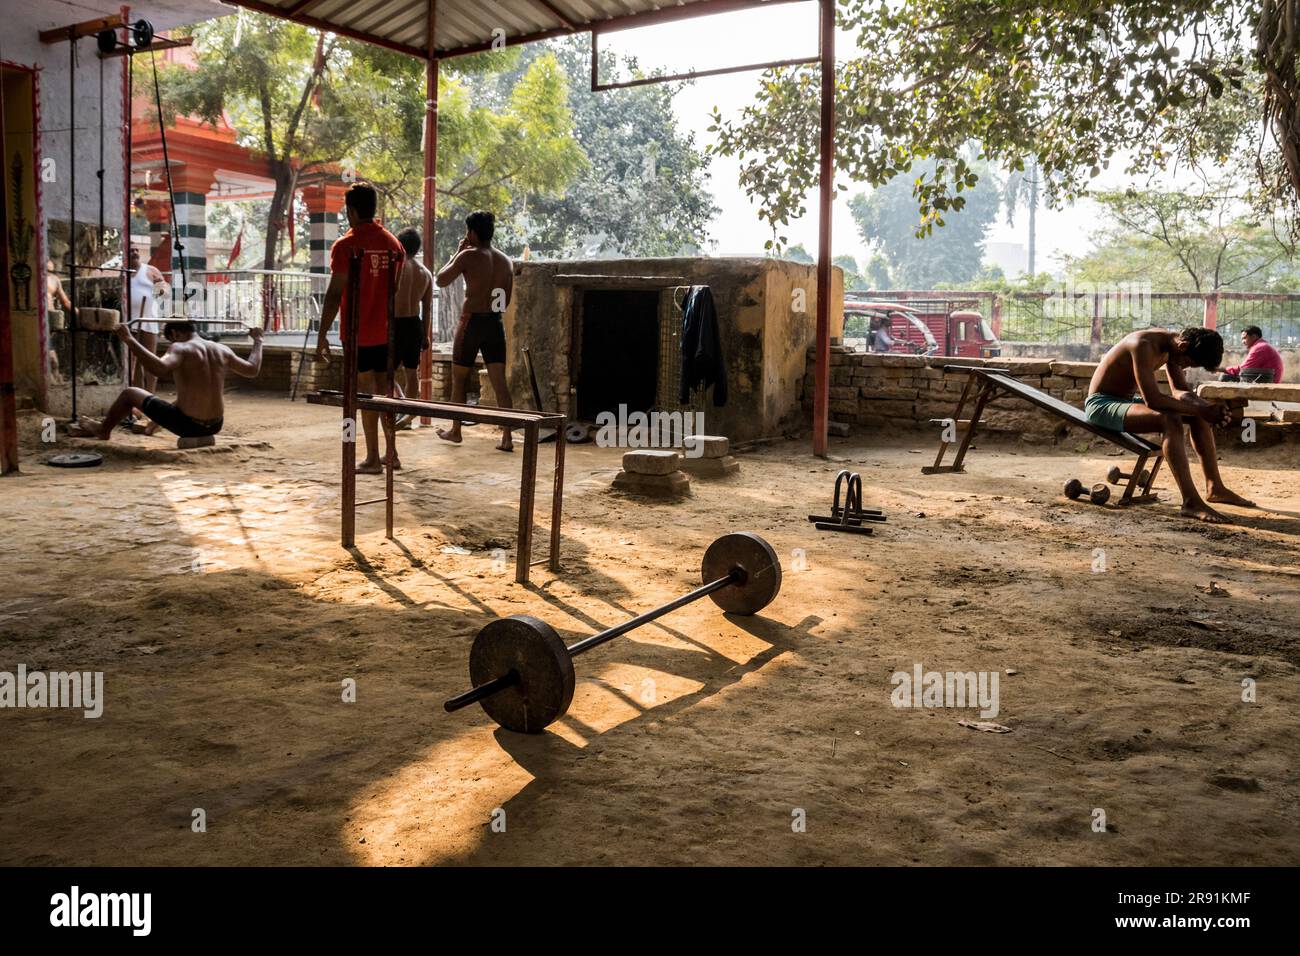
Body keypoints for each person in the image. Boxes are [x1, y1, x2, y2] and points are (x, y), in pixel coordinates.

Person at [1085, 327, 1254, 523]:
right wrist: (1201, 410)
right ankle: (1190, 502)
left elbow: (1180, 391)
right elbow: (1153, 400)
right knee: (1170, 419)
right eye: (1187, 363)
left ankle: (1215, 488)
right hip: (1102, 405)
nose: (1185, 367)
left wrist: (1206, 408)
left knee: (1198, 417)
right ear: (1183, 346)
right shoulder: (1143, 345)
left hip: (1126, 400)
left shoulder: (1174, 347)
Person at [314, 182, 405, 473]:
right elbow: (395, 288)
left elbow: (334, 294)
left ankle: (372, 457)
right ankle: (392, 453)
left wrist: (321, 335)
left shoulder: (346, 245)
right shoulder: (394, 244)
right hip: (386, 332)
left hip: (358, 333)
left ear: (351, 211)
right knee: (385, 393)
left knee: (364, 395)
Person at [76, 320, 262, 441]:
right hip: (215, 425)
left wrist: (129, 340)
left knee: (129, 394)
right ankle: (152, 426)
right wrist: (258, 340)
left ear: (175, 334)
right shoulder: (222, 349)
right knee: (183, 398)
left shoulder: (181, 348)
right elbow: (252, 369)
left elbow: (158, 368)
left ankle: (103, 430)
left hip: (188, 426)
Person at [435, 210, 515, 451]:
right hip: (494, 323)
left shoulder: (467, 256)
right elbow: (504, 300)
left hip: (471, 322)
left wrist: (458, 252)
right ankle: (507, 437)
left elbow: (441, 279)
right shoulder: (505, 261)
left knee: (459, 379)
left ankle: (456, 430)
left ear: (472, 232)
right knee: (500, 382)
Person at [392, 227, 434, 426]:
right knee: (411, 372)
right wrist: (425, 334)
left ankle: (400, 405)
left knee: (385, 372)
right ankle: (407, 413)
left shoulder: (396, 268)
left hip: (395, 323)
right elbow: (427, 308)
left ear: (399, 245)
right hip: (414, 324)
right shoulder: (425, 273)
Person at [126, 247, 169, 393]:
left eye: (136, 250)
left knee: (150, 360)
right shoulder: (123, 273)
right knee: (133, 363)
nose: (135, 252)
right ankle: (138, 395)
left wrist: (160, 288)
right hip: (130, 322)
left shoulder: (151, 270)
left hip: (149, 320)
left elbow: (164, 293)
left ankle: (151, 394)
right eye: (131, 250)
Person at [1219, 325, 1284, 384]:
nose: (1243, 342)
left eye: (1244, 338)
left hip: (1268, 381)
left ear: (1253, 337)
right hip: (1266, 379)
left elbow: (1243, 369)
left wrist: (1223, 369)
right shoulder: (1262, 346)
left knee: (1225, 377)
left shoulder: (1260, 347)